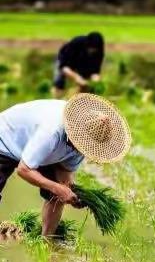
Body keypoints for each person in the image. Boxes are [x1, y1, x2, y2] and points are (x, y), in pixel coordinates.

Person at [0, 93, 131, 237]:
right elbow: (24, 170)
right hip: (6, 139)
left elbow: (65, 179)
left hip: (40, 149)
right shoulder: (51, 131)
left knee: (57, 194)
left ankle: (47, 240)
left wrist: (68, 192)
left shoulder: (83, 145)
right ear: (75, 133)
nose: (80, 151)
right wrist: (57, 188)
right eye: (80, 145)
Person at [52, 32, 105, 97]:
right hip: (65, 61)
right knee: (59, 82)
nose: (92, 51)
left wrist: (95, 82)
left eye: (95, 50)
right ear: (87, 45)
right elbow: (63, 67)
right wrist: (76, 77)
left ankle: (79, 102)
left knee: (86, 87)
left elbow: (95, 71)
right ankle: (57, 99)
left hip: (83, 63)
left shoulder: (99, 51)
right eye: (91, 49)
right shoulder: (77, 43)